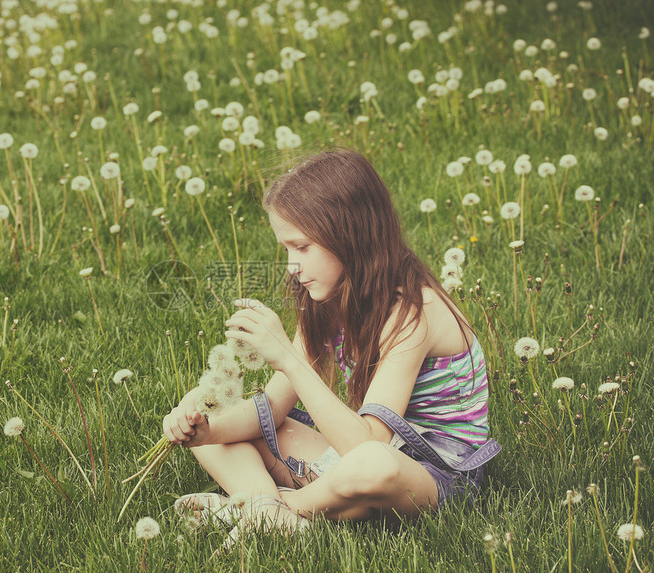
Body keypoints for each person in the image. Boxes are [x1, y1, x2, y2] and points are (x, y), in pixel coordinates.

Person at [162, 149, 499, 543]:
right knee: (224, 423)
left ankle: (268, 507)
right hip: (353, 457)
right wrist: (205, 431)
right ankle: (273, 511)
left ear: (350, 235)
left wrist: (289, 358)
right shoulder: (326, 298)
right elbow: (271, 409)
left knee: (373, 467)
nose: (292, 266)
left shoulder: (415, 311)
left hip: (431, 473)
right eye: (286, 249)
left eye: (302, 247)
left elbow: (367, 445)